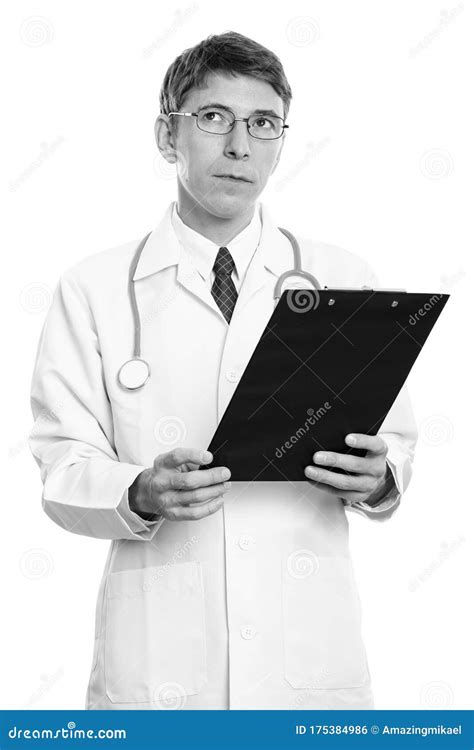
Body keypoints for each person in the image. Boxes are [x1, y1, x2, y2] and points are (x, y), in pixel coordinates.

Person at [28, 31, 418, 710]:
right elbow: (61, 465)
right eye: (214, 118)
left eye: (262, 123)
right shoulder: (92, 287)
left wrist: (379, 477)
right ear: (167, 134)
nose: (240, 145)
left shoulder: (342, 277)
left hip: (308, 672)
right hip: (159, 673)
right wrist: (141, 489)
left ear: (279, 141)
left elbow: (399, 445)